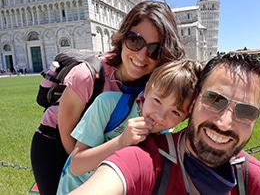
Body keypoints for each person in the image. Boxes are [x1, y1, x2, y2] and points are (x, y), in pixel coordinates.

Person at [30, 0, 185, 195]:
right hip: (56, 142)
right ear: (122, 38)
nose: (142, 56)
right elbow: (68, 139)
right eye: (135, 41)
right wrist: (93, 175)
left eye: (155, 49)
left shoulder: (154, 87)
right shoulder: (87, 75)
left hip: (102, 146)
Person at [69, 53, 260, 195]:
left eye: (246, 111)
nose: (224, 123)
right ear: (195, 101)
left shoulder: (253, 178)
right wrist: (121, 142)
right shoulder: (147, 156)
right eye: (215, 100)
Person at [56, 59, 203, 194]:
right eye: (157, 101)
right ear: (147, 90)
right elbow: (76, 165)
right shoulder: (108, 105)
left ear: (185, 118)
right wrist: (121, 142)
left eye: (175, 112)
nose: (160, 116)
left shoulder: (166, 137)